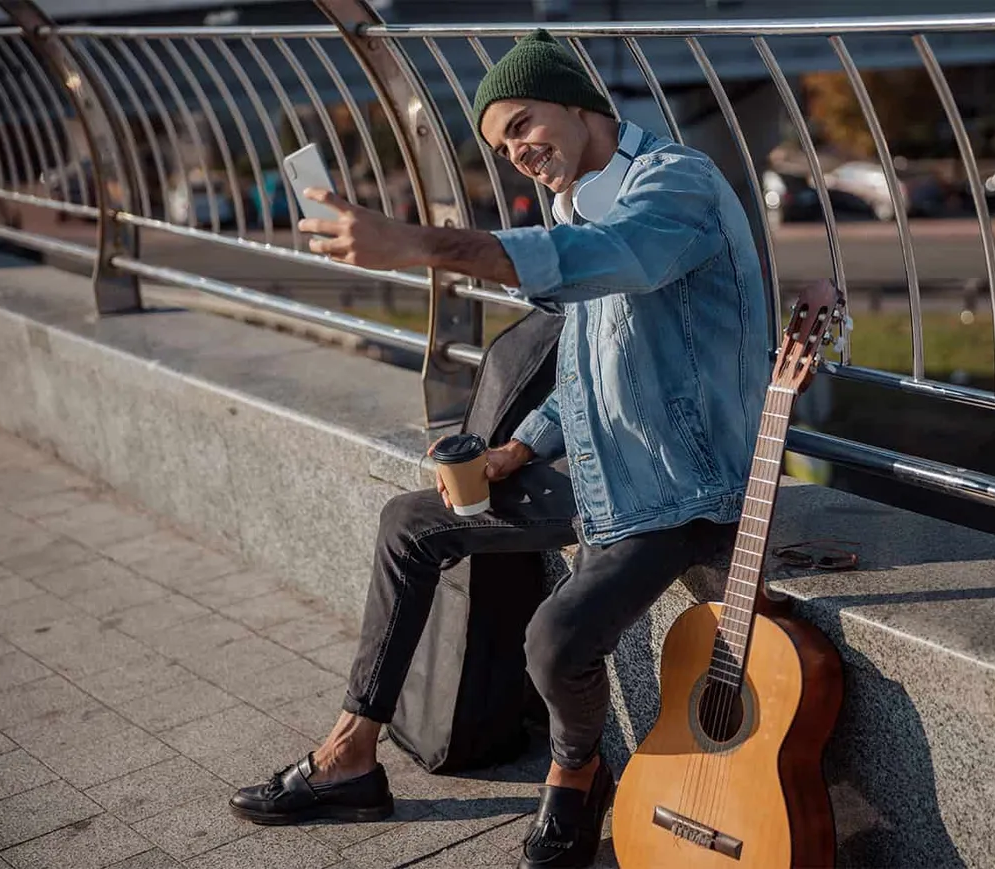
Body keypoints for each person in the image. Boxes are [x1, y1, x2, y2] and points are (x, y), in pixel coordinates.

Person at [228, 29, 771, 869]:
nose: (518, 151)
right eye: (501, 143)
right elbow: (594, 364)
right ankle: (351, 753)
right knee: (412, 522)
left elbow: (601, 262)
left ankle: (575, 772)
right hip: (599, 475)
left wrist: (415, 244)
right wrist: (521, 446)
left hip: (684, 492)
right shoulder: (579, 197)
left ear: (585, 107)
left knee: (555, 639)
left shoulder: (677, 186)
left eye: (524, 124)